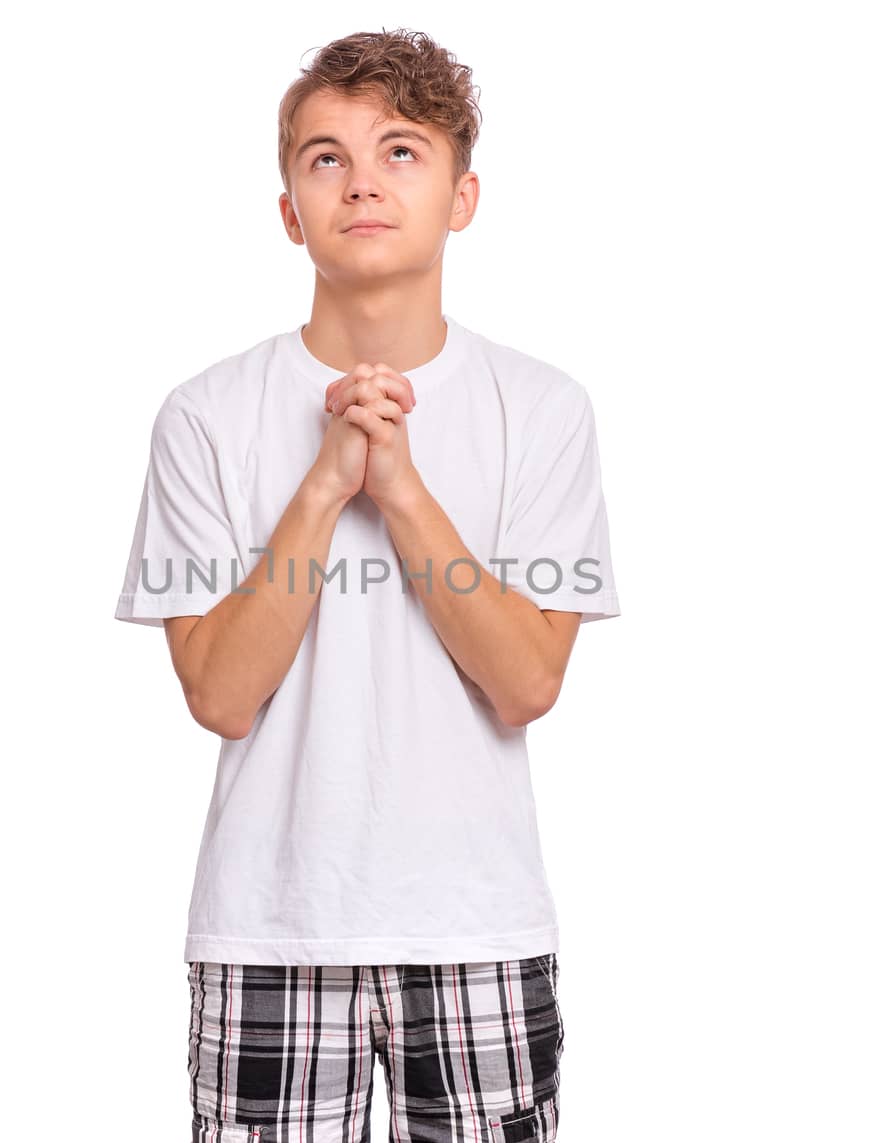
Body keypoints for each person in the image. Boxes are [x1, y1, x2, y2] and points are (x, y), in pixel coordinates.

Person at [115, 28, 619, 1143]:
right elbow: (220, 696)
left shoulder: (543, 409)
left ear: (462, 194)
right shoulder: (204, 415)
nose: (363, 184)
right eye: (326, 158)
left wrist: (398, 488)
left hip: (477, 925)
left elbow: (528, 682)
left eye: (401, 151)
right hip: (270, 930)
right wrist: (325, 481)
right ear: (289, 209)